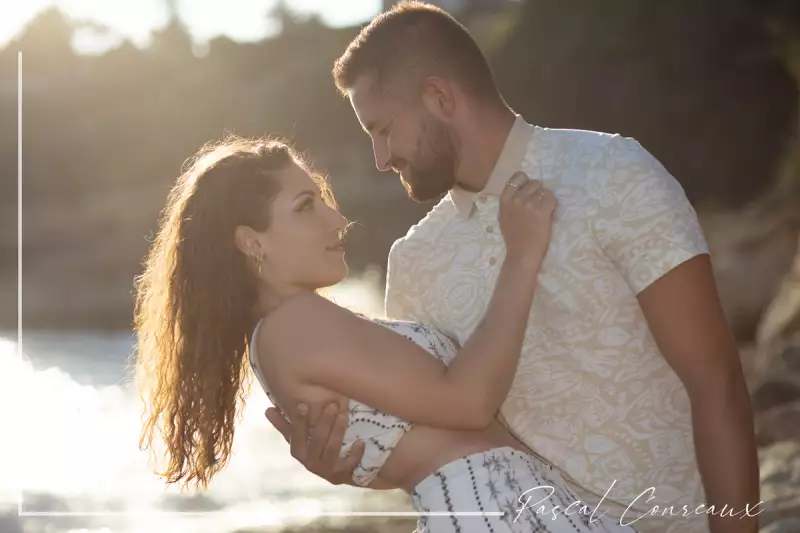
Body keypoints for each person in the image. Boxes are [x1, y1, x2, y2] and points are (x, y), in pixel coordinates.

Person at [265, 3, 761, 533]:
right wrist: (352, 462)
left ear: (440, 97)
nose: (380, 159)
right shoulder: (415, 261)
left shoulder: (612, 175)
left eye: (383, 129)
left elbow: (717, 382)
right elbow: (457, 444)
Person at [134, 135, 638, 532]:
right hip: (496, 509)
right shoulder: (294, 325)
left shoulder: (283, 337)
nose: (337, 219)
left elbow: (404, 450)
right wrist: (523, 254)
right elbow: (467, 404)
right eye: (307, 206)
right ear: (252, 243)